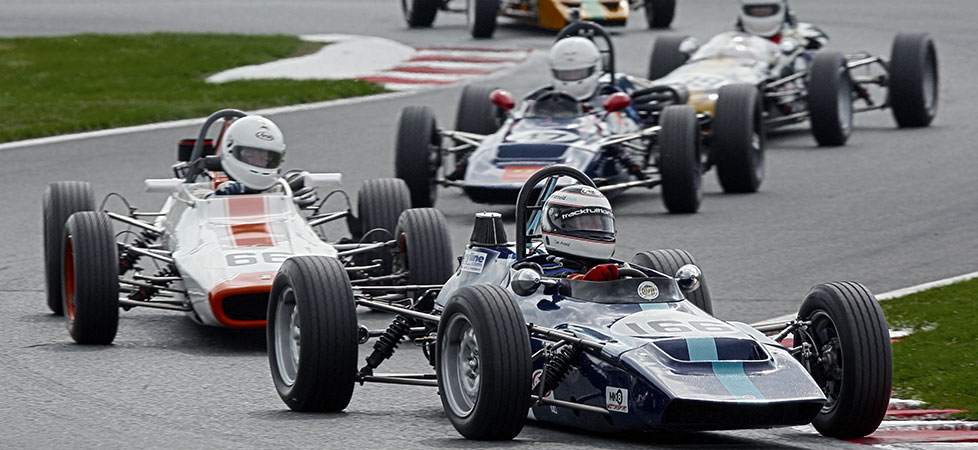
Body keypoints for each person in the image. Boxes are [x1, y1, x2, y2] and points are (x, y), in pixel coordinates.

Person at [531, 184, 623, 282]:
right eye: (585, 223)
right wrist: (581, 280)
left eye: (600, 224)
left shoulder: (614, 268)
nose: (596, 229)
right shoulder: (541, 269)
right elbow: (544, 280)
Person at [213, 115, 286, 195]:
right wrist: (216, 197)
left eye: (265, 158)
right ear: (230, 149)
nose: (258, 163)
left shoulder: (283, 190)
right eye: (250, 156)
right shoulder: (206, 195)